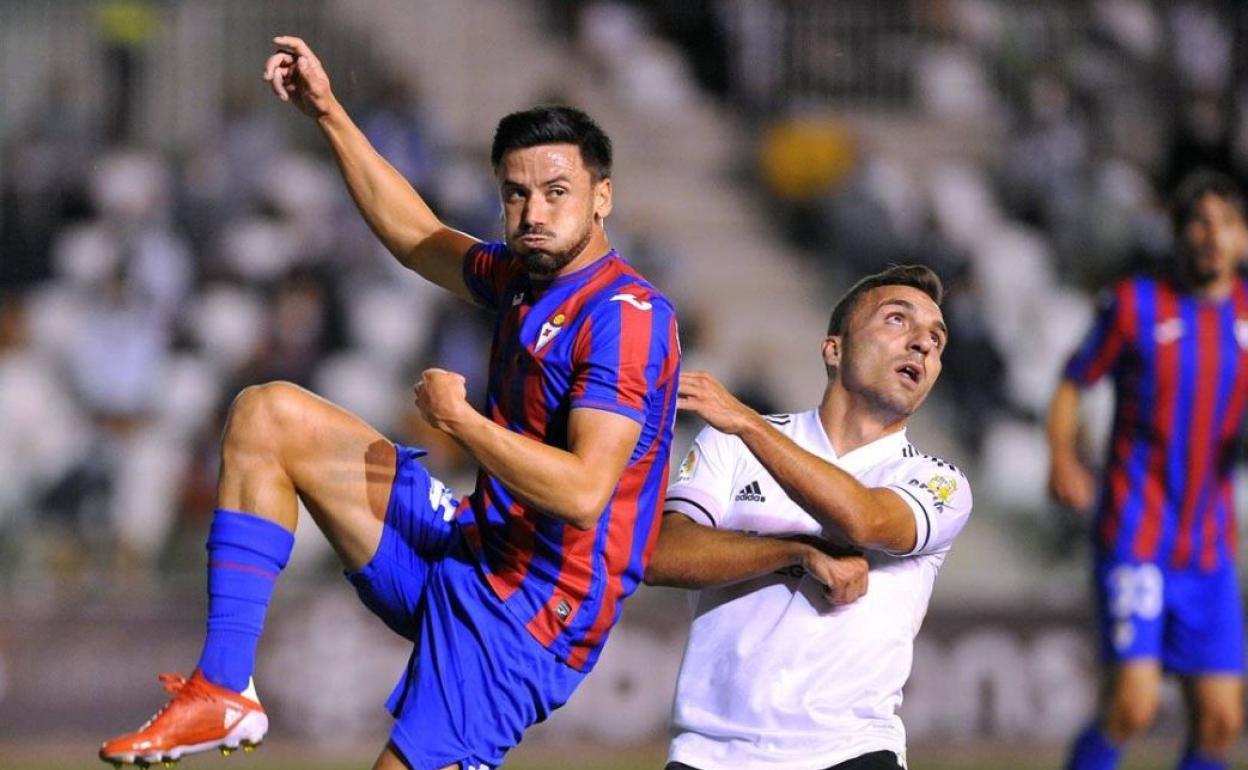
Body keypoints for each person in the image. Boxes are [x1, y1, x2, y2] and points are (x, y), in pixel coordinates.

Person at [99, 36, 680, 770]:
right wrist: (329, 113)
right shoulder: (524, 277)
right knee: (267, 414)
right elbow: (415, 236)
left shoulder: (625, 316)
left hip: (528, 614)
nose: (534, 211)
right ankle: (221, 689)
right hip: (469, 545)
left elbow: (586, 491)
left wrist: (463, 423)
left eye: (556, 191)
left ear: (603, 197)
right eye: (516, 192)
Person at [646, 265, 973, 770]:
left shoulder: (939, 482)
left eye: (936, 338)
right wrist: (794, 551)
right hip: (710, 752)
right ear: (834, 349)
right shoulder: (728, 442)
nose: (923, 345)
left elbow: (863, 523)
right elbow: (661, 555)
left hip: (851, 751)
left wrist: (749, 425)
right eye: (897, 321)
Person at [1050, 170, 1248, 770]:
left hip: (1209, 547)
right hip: (1137, 536)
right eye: (1200, 221)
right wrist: (1061, 454)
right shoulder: (1137, 305)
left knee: (1221, 719)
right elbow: (1072, 381)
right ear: (1178, 232)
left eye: (1227, 223)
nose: (1213, 236)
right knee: (1133, 706)